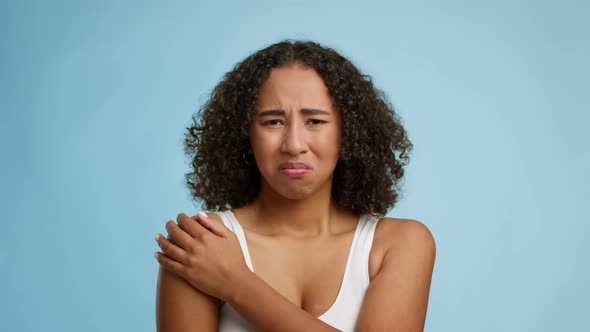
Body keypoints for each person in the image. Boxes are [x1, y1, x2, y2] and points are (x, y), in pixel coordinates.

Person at [154, 39, 436, 332]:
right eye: (273, 122)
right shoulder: (200, 245)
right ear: (245, 137)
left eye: (314, 121)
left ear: (348, 135)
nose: (294, 145)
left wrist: (236, 283)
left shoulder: (398, 244)